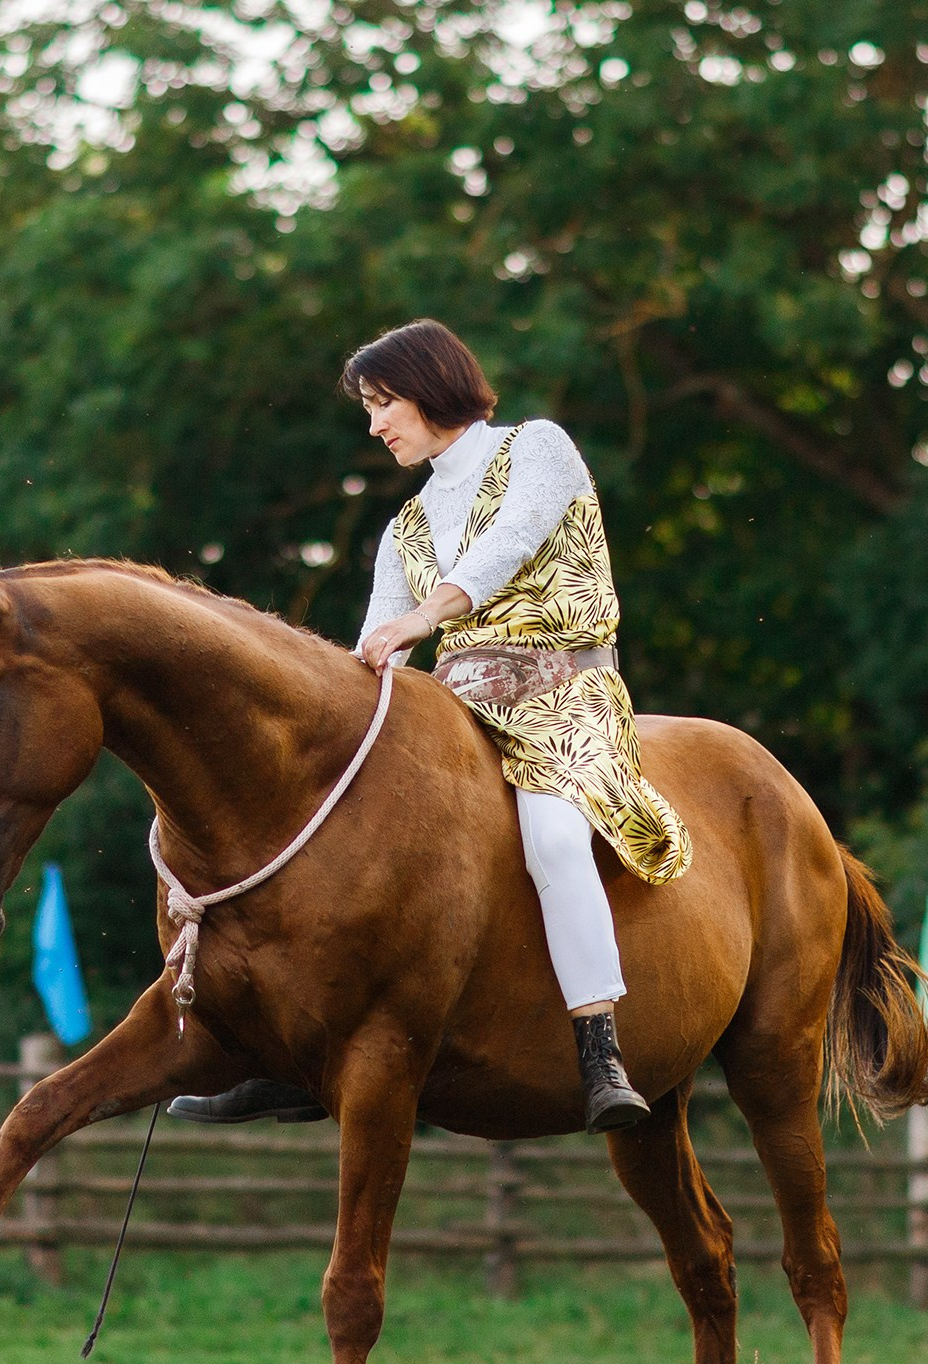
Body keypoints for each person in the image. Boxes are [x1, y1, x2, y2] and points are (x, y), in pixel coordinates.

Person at [171, 319, 689, 1133]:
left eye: (385, 404)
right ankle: (303, 1064)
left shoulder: (538, 448)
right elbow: (372, 657)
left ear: (433, 387)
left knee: (554, 838)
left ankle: (601, 1050)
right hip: (459, 704)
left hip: (567, 693)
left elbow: (510, 545)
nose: (375, 425)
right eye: (370, 409)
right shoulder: (404, 528)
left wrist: (427, 615)